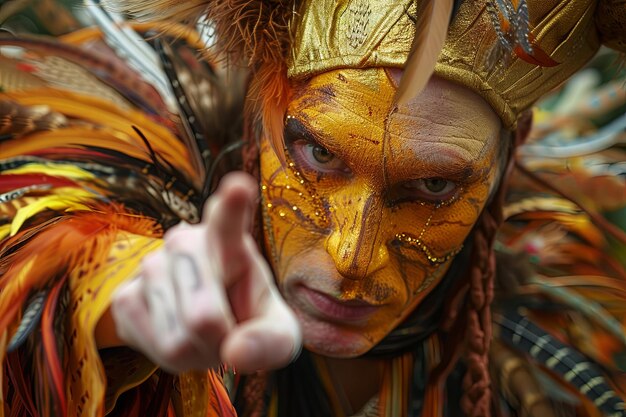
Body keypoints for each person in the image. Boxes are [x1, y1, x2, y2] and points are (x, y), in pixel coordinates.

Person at [1, 0, 625, 416]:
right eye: (318, 155)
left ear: (500, 174)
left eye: (434, 188)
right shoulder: (137, 188)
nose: (353, 254)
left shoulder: (561, 292)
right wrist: (112, 307)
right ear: (259, 119)